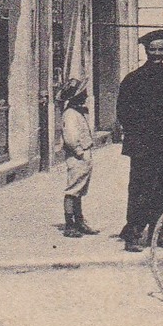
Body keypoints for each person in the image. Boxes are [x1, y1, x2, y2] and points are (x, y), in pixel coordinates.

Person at [116, 30, 163, 252]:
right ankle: (133, 233)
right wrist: (140, 131)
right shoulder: (133, 79)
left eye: (161, 49)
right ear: (145, 50)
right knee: (141, 189)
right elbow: (123, 112)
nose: (157, 54)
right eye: (152, 49)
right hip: (143, 145)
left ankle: (159, 231)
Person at [58, 79, 99, 238]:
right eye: (83, 93)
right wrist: (80, 153)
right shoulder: (70, 115)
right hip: (77, 158)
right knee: (73, 191)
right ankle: (70, 225)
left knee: (79, 190)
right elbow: (70, 138)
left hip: (83, 156)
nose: (86, 95)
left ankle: (79, 221)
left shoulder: (77, 112)